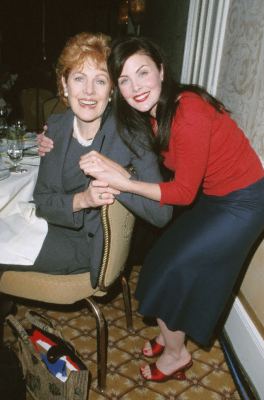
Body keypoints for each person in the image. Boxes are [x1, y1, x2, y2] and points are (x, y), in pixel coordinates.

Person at [78, 36, 264, 382]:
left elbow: (180, 192)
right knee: (161, 261)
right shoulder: (151, 113)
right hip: (216, 196)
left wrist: (124, 182)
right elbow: (95, 120)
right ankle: (170, 336)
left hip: (244, 203)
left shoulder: (188, 110)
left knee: (174, 269)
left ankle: (177, 355)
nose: (136, 87)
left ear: (161, 71)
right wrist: (54, 137)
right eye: (125, 80)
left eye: (143, 73)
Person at [0, 32, 172, 290]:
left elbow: (162, 214)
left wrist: (119, 179)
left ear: (112, 90)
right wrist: (83, 200)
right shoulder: (56, 128)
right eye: (79, 78)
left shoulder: (131, 135)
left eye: (100, 81)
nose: (89, 92)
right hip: (48, 225)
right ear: (65, 84)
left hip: (89, 244)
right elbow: (44, 202)